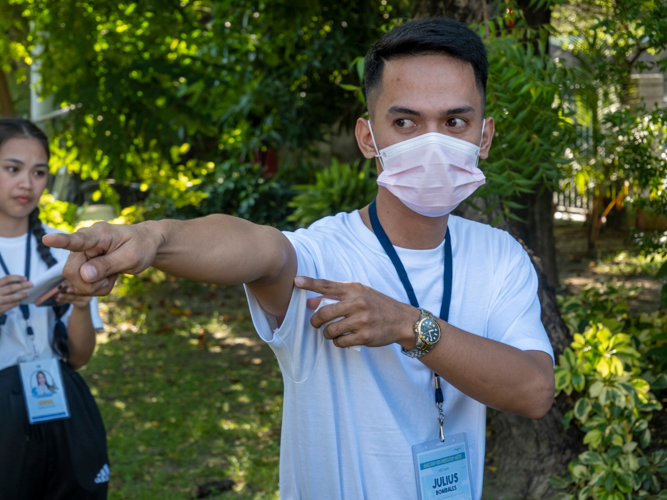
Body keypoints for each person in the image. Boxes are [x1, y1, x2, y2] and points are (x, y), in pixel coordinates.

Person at [46, 18, 555, 499]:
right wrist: (155, 237)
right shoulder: (321, 253)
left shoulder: (499, 255)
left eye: (455, 121)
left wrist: (408, 325)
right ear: (367, 137)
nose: (432, 142)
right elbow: (257, 249)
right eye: (405, 121)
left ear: (483, 137)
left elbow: (533, 390)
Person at [0, 118, 109, 499]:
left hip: (59, 401)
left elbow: (78, 358)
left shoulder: (63, 252)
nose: (26, 184)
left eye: (39, 172)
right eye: (12, 169)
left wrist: (80, 307)